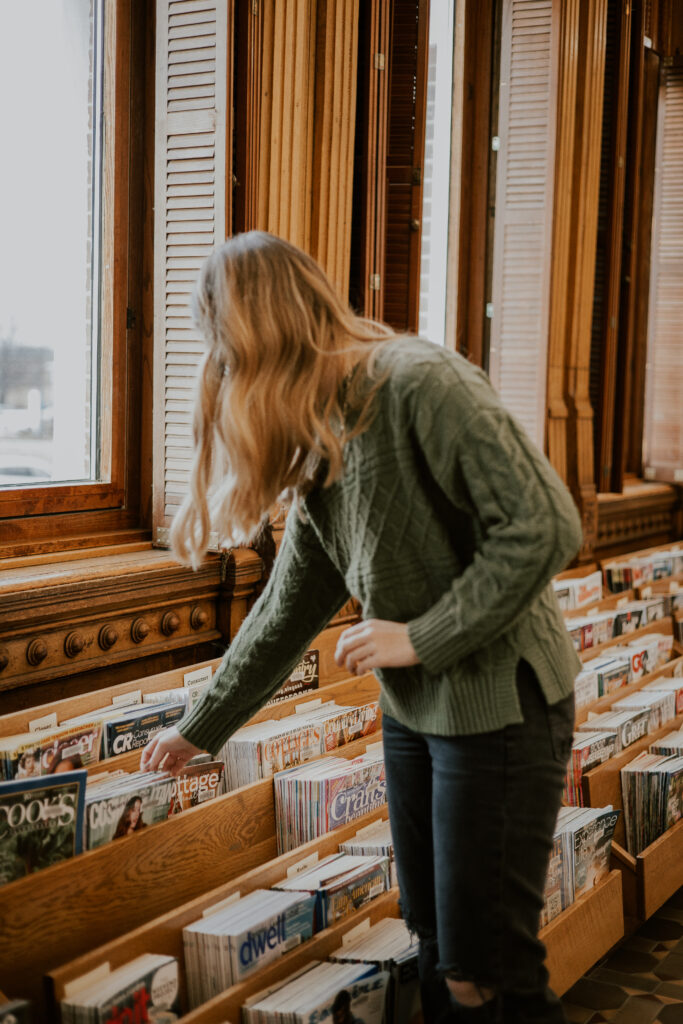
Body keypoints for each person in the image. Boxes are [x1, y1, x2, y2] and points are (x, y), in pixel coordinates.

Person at [141, 230, 582, 1022]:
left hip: (501, 710)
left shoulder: (421, 383)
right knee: (435, 947)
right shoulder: (320, 432)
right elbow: (285, 609)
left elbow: (545, 525)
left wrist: (419, 637)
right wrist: (199, 729)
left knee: (487, 968)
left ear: (264, 337)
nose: (230, 380)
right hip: (416, 714)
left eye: (230, 357)